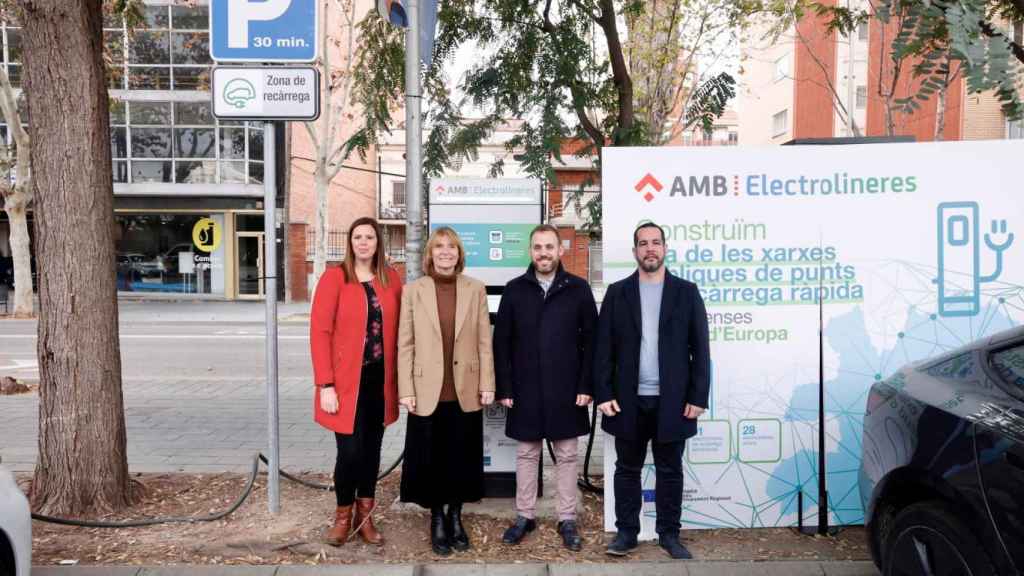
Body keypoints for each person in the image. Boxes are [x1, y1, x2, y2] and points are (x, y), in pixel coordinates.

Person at [593, 221, 711, 560]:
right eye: (643, 243)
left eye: (655, 242)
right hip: (627, 400)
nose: (649, 249)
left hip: (672, 401)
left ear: (665, 249)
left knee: (670, 470)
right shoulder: (617, 293)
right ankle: (626, 533)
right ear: (634, 252)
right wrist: (603, 393)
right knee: (627, 469)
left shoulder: (686, 293)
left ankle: (669, 534)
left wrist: (697, 397)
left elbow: (700, 349)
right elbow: (604, 349)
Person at [493, 224, 597, 551]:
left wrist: (586, 385)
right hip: (525, 388)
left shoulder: (578, 289)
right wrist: (505, 387)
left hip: (567, 389)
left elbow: (592, 343)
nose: (543, 253)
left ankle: (566, 518)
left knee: (567, 454)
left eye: (549, 247)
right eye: (538, 247)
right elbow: (502, 343)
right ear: (530, 251)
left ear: (560, 250)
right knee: (526, 453)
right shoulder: (514, 290)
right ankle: (525, 515)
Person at [397, 226, 496, 556]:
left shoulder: (475, 289)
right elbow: (405, 343)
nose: (445, 252)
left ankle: (456, 515)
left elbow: (484, 341)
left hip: (465, 390)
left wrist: (487, 384)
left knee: (460, 458)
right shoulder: (413, 291)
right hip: (426, 391)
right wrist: (406, 388)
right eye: (439, 246)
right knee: (431, 460)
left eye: (450, 247)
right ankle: (437, 517)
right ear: (430, 254)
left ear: (459, 253)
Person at [310, 217, 403, 547]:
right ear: (350, 243)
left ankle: (365, 516)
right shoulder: (335, 278)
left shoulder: (391, 279)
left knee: (371, 451)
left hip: (380, 380)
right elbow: (320, 333)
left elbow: (403, 332)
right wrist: (325, 384)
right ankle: (342, 516)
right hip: (345, 381)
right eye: (357, 237)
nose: (363, 242)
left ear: (379, 243)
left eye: (369, 237)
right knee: (349, 452)